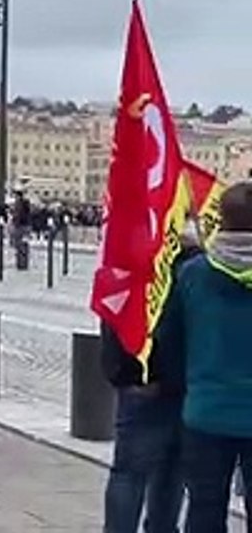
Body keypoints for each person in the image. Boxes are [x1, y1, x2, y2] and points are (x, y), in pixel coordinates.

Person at [155, 183, 252, 531]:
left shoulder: (193, 274)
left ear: (222, 219)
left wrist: (178, 387)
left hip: (206, 411)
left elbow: (169, 341)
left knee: (204, 509)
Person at [101, 224, 200, 533]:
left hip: (141, 385)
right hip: (182, 386)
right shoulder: (197, 269)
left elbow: (112, 321)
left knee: (129, 473)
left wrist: (123, 375)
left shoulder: (127, 264)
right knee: (171, 473)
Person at [11, 189, 33, 271]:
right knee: (23, 245)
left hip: (21, 226)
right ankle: (22, 263)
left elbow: (18, 215)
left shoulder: (20, 204)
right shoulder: (24, 203)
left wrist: (15, 223)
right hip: (25, 226)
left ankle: (21, 263)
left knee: (21, 245)